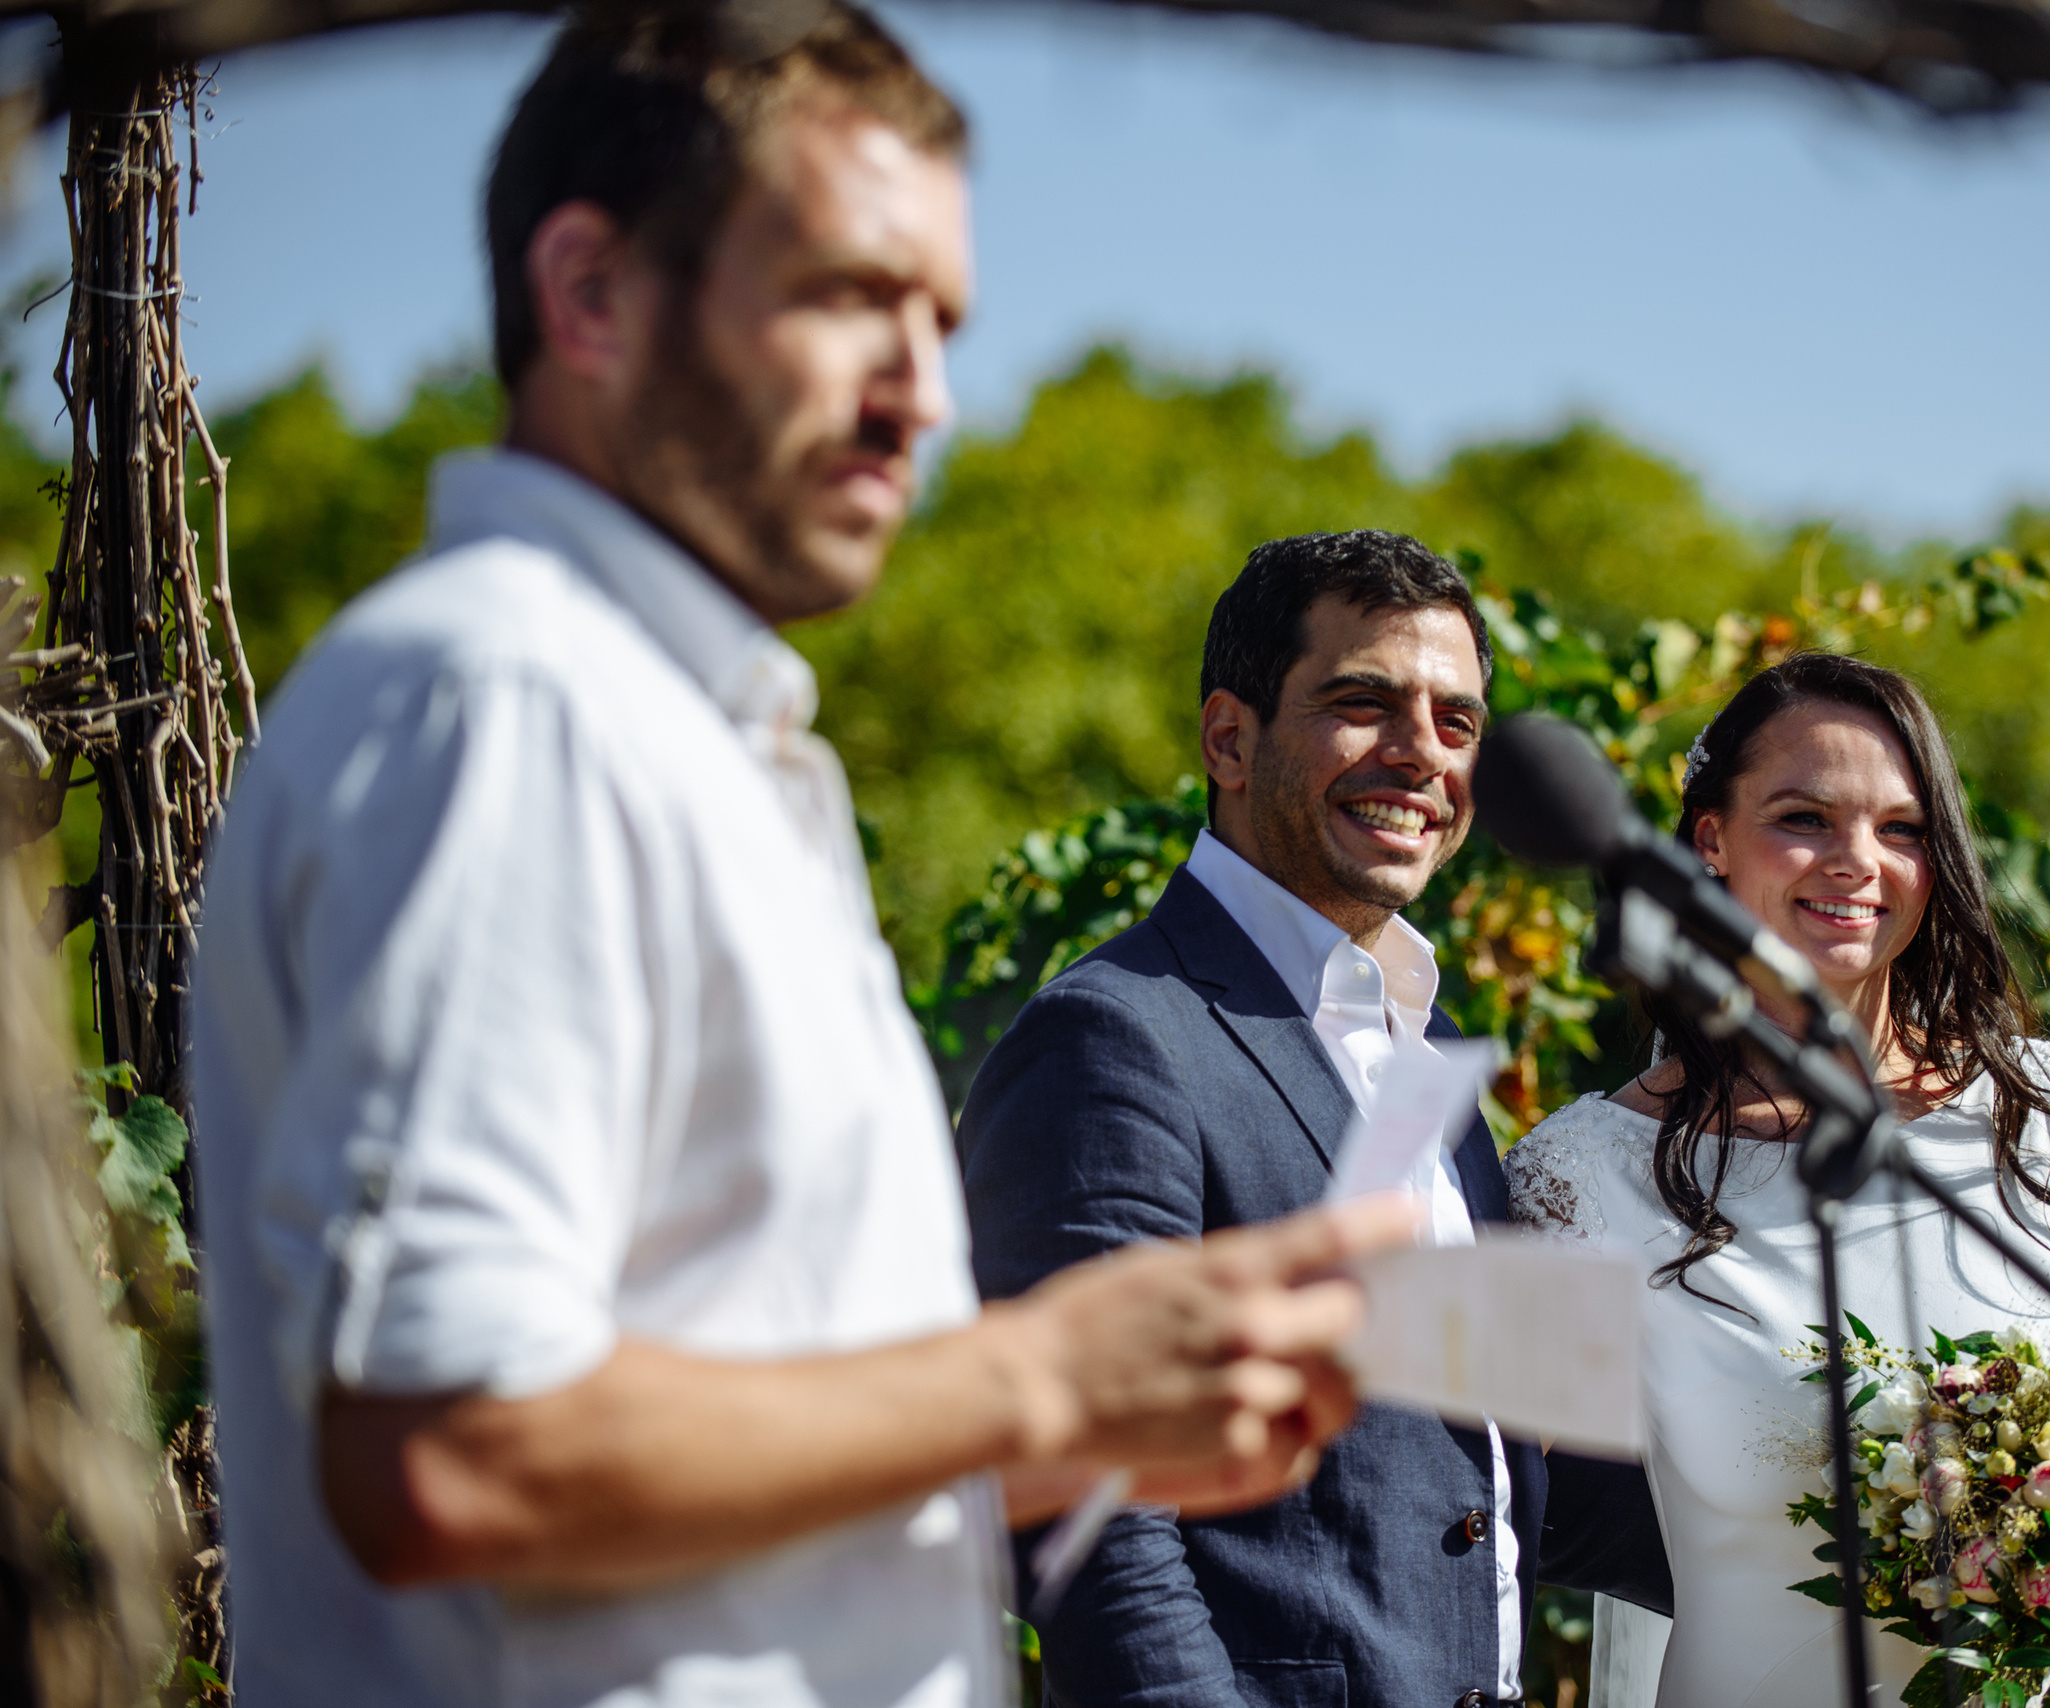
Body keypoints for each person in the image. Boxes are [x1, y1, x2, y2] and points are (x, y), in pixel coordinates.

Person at [190, 10, 1412, 1707]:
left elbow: (702, 1465)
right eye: (849, 293)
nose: (925, 393)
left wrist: (1083, 1429)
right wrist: (1039, 1377)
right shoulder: (516, 702)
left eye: (943, 318)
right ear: (592, 292)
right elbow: (450, 1453)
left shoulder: (684, 735)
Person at [961, 532, 1594, 1708]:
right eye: (1362, 704)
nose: (1419, 756)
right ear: (1227, 737)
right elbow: (1088, 1513)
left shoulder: (1429, 1036)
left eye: (1456, 724)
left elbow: (1453, 1473)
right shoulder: (1113, 1037)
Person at [1502, 651, 2050, 1708]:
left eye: (1901, 828)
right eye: (1803, 817)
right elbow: (1502, 1521)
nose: (1857, 861)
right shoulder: (1585, 1176)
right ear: (1709, 842)